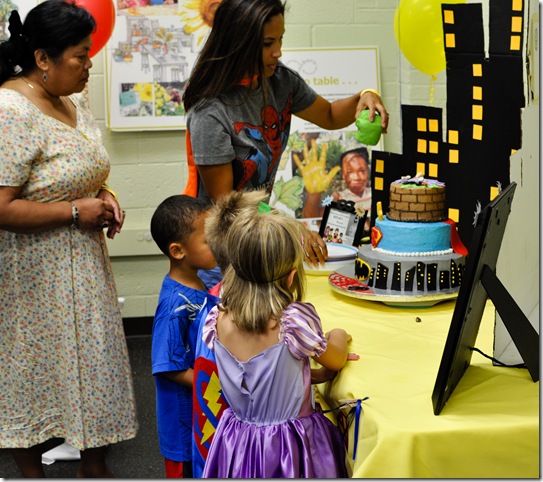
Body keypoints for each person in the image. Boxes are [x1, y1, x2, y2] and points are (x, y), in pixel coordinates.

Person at [0, 1, 138, 477]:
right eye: (80, 55)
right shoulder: (10, 110)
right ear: (43, 59)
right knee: (33, 382)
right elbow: (1, 207)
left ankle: (94, 469)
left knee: (93, 372)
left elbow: (78, 171)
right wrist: (76, 211)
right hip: (32, 276)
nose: (89, 64)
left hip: (84, 269)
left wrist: (104, 195)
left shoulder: (72, 100)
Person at [181, 0, 389, 267]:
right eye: (268, 43)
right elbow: (229, 206)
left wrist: (366, 95)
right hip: (220, 251)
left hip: (259, 234)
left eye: (280, 40)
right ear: (239, 42)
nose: (278, 52)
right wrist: (291, 229)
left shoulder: (281, 82)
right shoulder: (209, 111)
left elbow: (329, 115)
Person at [200, 208, 352, 478]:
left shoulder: (218, 319)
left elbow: (260, 379)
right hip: (288, 448)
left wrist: (311, 376)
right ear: (291, 277)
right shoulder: (292, 323)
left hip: (239, 442)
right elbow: (336, 359)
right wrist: (338, 334)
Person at [149, 195, 217, 478]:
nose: (217, 242)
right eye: (208, 238)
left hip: (203, 410)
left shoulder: (197, 282)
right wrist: (221, 382)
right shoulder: (174, 304)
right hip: (183, 425)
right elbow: (168, 366)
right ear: (178, 251)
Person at [302, 147, 372, 229]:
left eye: (361, 171)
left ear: (368, 171)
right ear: (343, 174)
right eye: (349, 172)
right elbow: (314, 219)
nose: (356, 177)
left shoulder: (376, 194)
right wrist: (314, 195)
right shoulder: (337, 197)